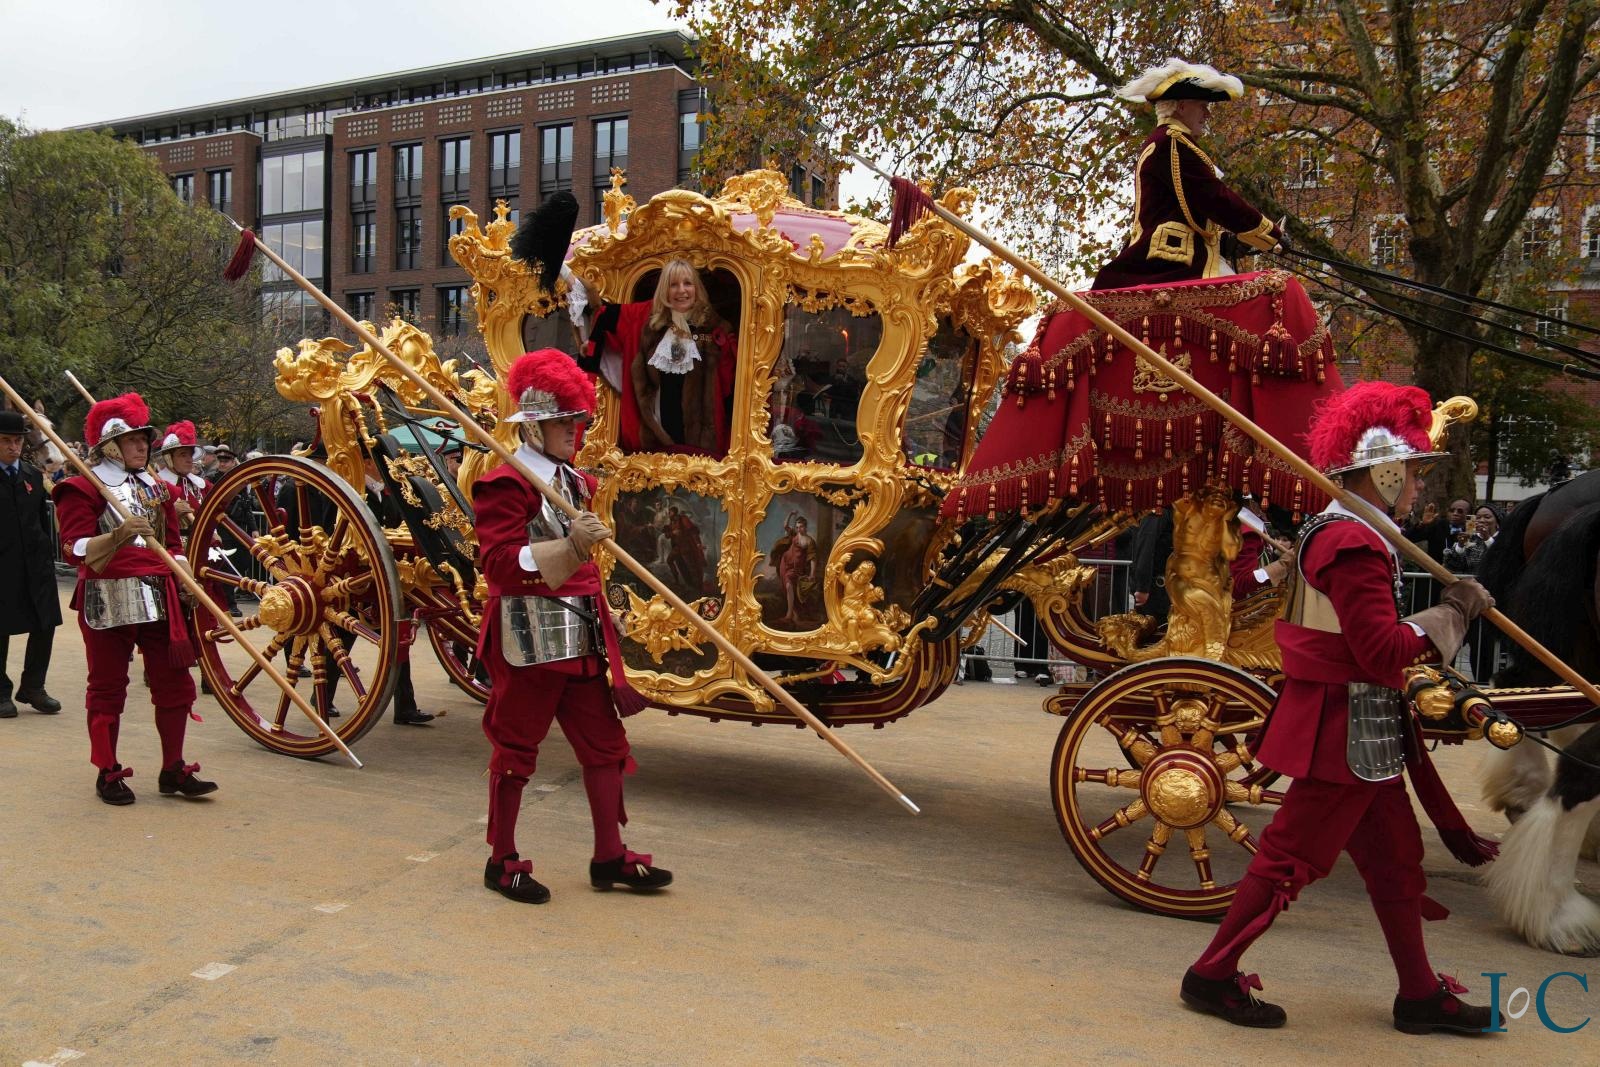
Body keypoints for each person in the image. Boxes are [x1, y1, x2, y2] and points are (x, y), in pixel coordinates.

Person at [1181, 381, 1496, 1034]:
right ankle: (1211, 973)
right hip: (1343, 725)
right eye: (1410, 472)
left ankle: (1418, 993)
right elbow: (1381, 652)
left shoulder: (1352, 532)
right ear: (1382, 471)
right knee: (1288, 859)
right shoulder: (1352, 542)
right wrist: (1452, 613)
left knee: (1394, 860)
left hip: (1362, 723)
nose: (1417, 486)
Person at [472, 348, 671, 904]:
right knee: (516, 750)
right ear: (533, 427)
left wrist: (598, 592)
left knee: (605, 747)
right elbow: (499, 565)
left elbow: (585, 566)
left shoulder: (574, 482)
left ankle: (609, 856)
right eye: (563, 422)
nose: (573, 432)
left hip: (580, 634)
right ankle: (501, 860)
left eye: (577, 421)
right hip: (529, 636)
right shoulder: (506, 484)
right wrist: (568, 546)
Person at [53, 393, 217, 805]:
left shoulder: (156, 487)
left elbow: (173, 543)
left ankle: (173, 767)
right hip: (108, 594)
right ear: (111, 446)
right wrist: (117, 536)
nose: (144, 446)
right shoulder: (81, 487)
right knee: (108, 686)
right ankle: (107, 771)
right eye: (133, 440)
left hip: (160, 593)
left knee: (174, 683)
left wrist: (183, 575)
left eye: (145, 439)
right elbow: (72, 548)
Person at [1093, 58, 1286, 291]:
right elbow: (1213, 197)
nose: (1207, 114)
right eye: (1202, 106)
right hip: (1171, 262)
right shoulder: (1173, 142)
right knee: (1261, 295)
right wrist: (1267, 232)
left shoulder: (1166, 141)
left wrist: (1224, 242)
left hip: (1177, 253)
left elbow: (1173, 213)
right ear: (1182, 106)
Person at [611, 259, 737, 456]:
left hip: (702, 446)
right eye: (673, 285)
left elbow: (730, 384)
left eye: (687, 283)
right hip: (657, 442)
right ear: (665, 291)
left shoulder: (716, 330)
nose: (681, 291)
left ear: (697, 289)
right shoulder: (650, 330)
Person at [1, 408, 63, 719]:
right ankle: (0, 692)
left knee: (45, 623)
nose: (13, 447)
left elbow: (41, 519)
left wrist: (45, 554)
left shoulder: (32, 476)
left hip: (36, 564)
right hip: (3, 564)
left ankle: (33, 686)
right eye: (5, 441)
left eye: (17, 441)